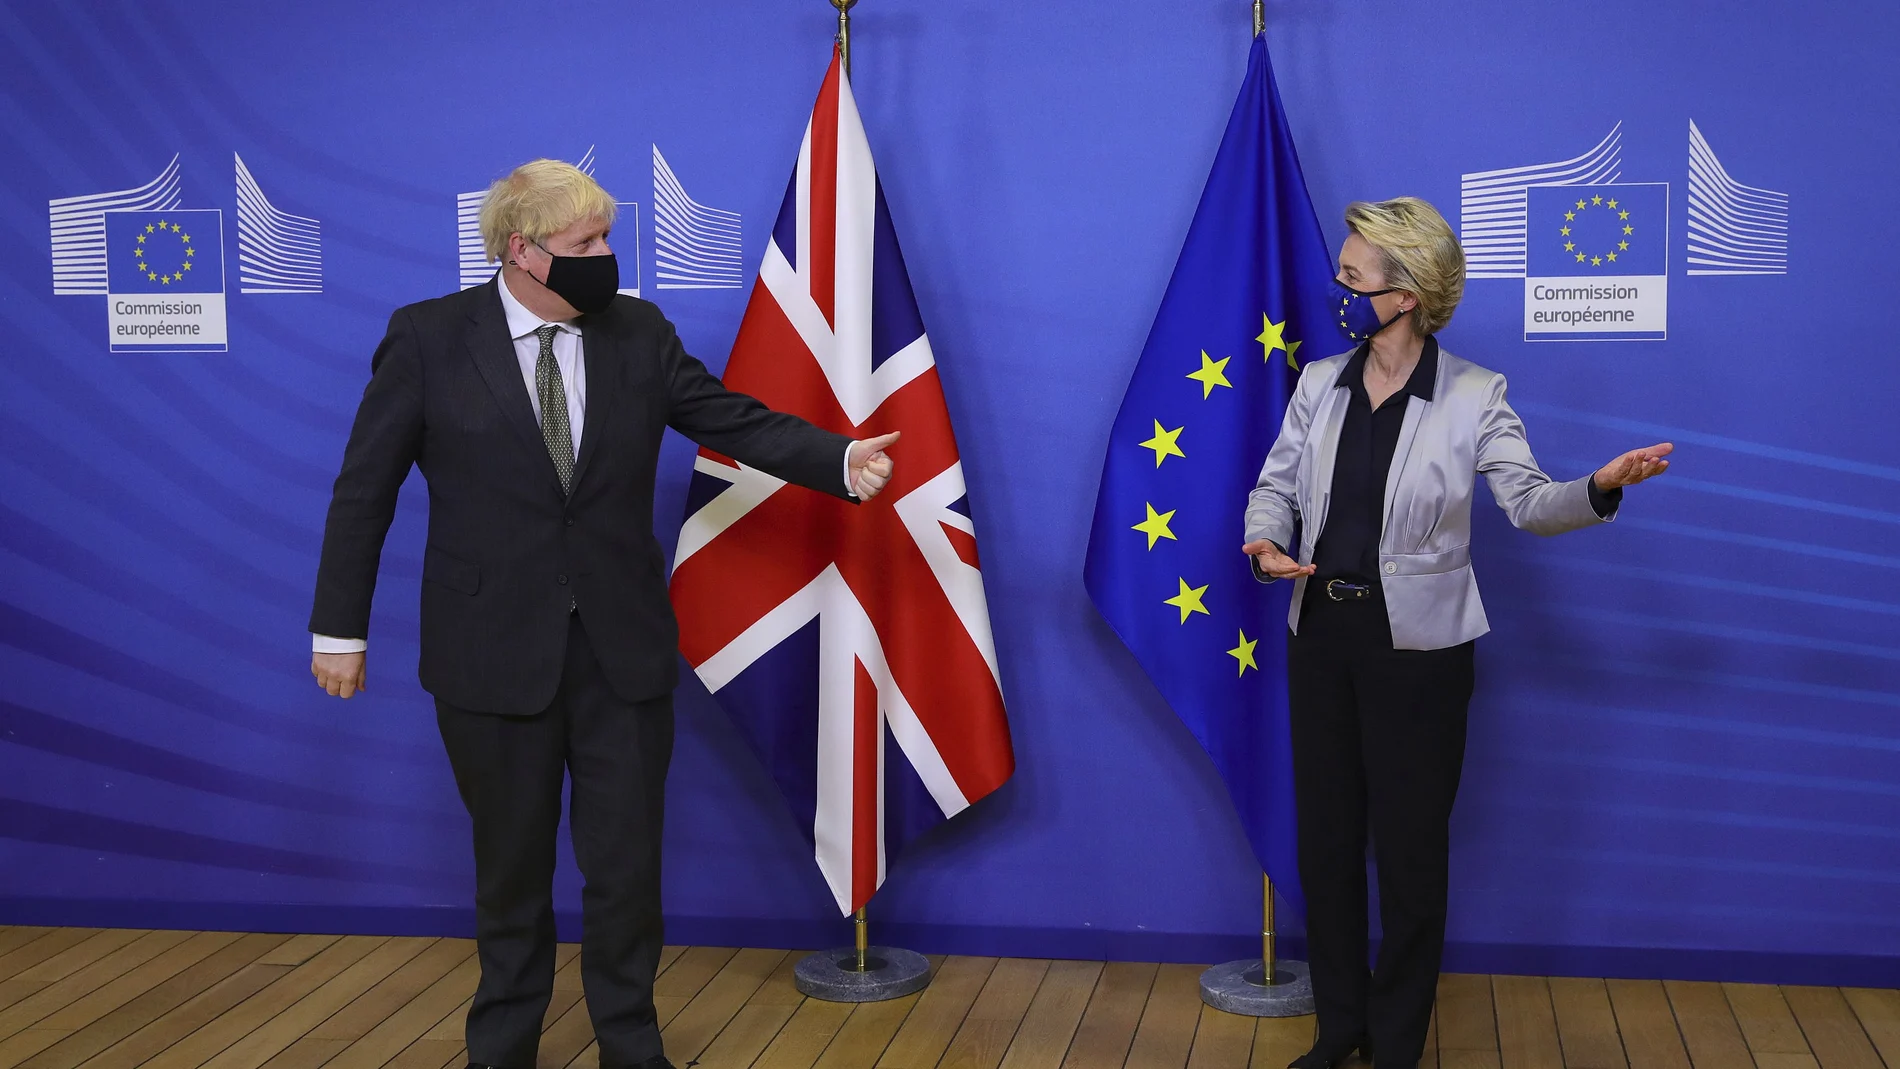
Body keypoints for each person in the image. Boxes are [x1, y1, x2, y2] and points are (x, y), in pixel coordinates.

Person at [307, 159, 899, 1069]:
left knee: (626, 875)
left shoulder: (636, 332)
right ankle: (501, 1046)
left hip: (620, 655)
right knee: (510, 876)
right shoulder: (427, 338)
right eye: (585, 244)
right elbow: (363, 492)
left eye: (607, 238)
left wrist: (838, 458)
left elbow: (728, 417)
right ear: (523, 251)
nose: (606, 257)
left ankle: (630, 1039)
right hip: (489, 657)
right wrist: (340, 630)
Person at [1242, 197, 1671, 1069]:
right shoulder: (1319, 382)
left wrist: (1597, 485)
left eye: (1354, 278)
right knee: (1326, 847)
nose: (1341, 289)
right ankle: (1340, 1029)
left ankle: (1396, 1042)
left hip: (1422, 660)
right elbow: (1275, 486)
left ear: (1408, 293)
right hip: (1319, 638)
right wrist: (1262, 542)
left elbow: (1527, 502)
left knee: (1408, 854)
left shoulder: (1476, 394)